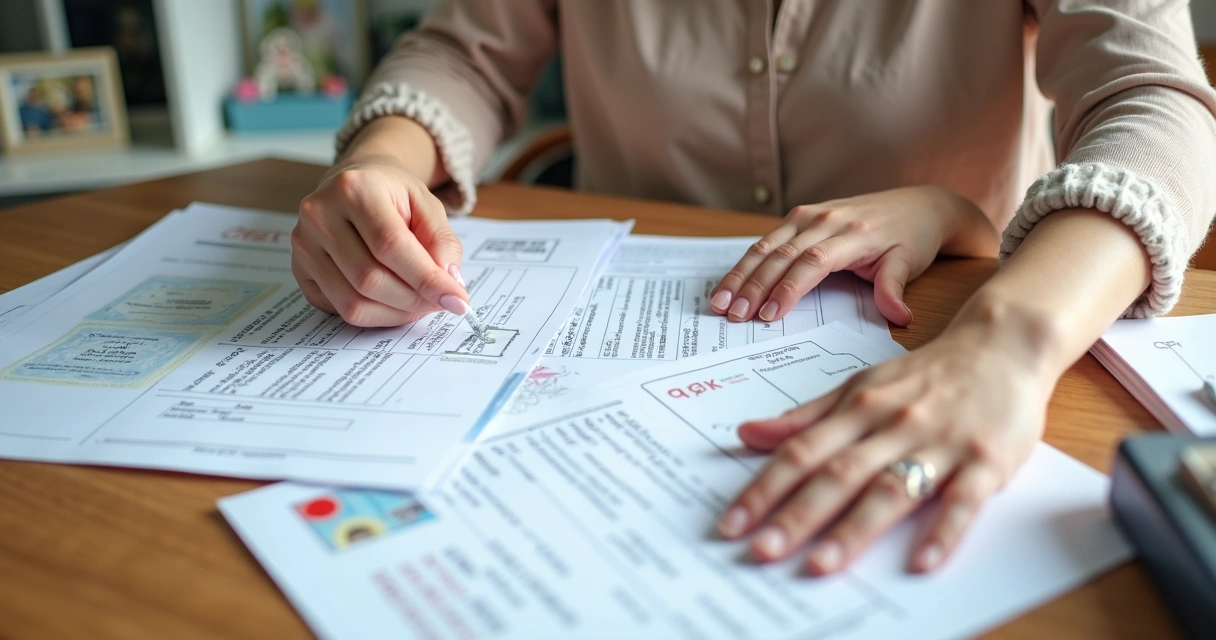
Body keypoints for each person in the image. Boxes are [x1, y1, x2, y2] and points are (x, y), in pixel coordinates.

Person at [291, 1, 1216, 575]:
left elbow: (1154, 103)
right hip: (609, 359)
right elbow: (464, 52)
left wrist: (1006, 340)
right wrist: (383, 163)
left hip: (948, 318)